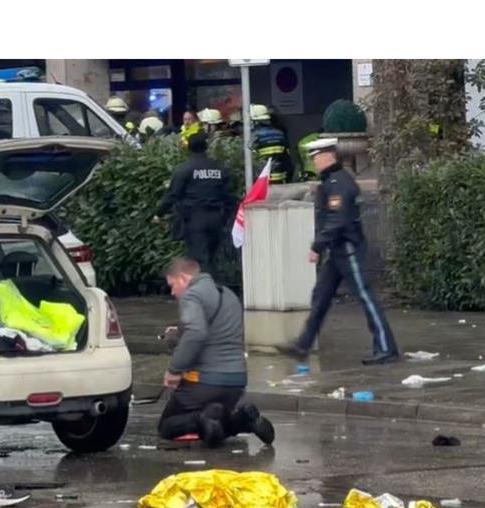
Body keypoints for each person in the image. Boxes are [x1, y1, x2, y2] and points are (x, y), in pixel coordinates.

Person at [280, 138, 399, 365]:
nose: (314, 162)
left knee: (365, 297)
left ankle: (386, 348)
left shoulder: (340, 183)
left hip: (347, 248)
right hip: (337, 251)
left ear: (327, 156)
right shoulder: (331, 181)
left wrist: (317, 246)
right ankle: (302, 345)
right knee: (320, 297)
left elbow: (338, 220)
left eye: (316, 157)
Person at [158, 258, 274, 448]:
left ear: (183, 278)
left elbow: (197, 333)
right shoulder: (228, 294)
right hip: (236, 381)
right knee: (215, 421)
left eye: (172, 285)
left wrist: (174, 370)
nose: (172, 292)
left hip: (203, 383)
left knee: (167, 427)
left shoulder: (192, 295)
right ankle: (244, 419)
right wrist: (178, 337)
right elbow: (218, 336)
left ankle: (202, 420)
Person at [155, 134, 233, 272]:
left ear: (189, 148)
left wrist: (159, 214)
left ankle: (206, 291)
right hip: (217, 218)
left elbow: (173, 195)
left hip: (195, 218)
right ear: (206, 147)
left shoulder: (184, 169)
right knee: (212, 257)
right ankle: (215, 288)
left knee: (199, 260)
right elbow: (228, 196)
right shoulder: (220, 169)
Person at [249, 104, 293, 184]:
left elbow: (250, 159)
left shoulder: (253, 136)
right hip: (280, 179)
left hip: (262, 181)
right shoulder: (280, 133)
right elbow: (287, 158)